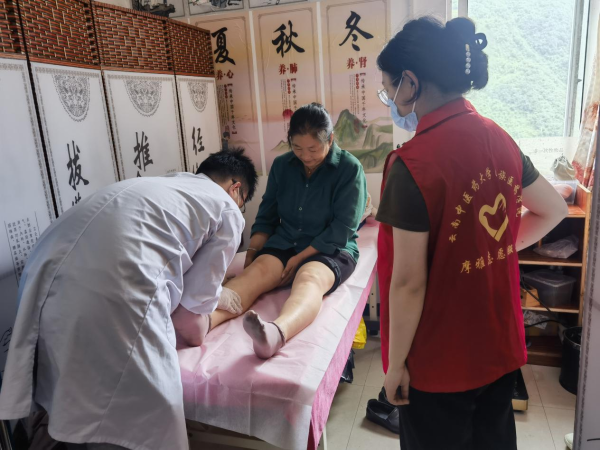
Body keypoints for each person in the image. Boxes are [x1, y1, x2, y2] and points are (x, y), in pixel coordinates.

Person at [375, 17, 568, 449]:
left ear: (411, 82)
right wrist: (495, 245)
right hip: (497, 345)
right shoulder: (500, 138)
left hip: (439, 357)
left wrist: (396, 364)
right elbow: (552, 209)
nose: (391, 100)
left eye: (390, 89)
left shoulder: (412, 164)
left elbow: (408, 284)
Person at [0, 148, 258, 450]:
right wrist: (216, 306)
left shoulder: (161, 186)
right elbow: (189, 325)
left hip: (41, 279)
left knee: (66, 404)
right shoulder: (226, 209)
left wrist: (213, 295)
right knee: (133, 425)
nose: (239, 210)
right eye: (242, 203)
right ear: (235, 189)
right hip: (113, 292)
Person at [209, 102, 367, 359]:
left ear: (330, 139)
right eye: (297, 148)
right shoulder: (283, 165)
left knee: (309, 278)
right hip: (287, 241)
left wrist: (300, 258)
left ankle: (276, 333)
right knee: (257, 272)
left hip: (331, 247)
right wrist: (253, 252)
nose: (305, 156)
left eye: (313, 149)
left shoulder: (349, 169)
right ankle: (206, 321)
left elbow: (343, 229)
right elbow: (268, 214)